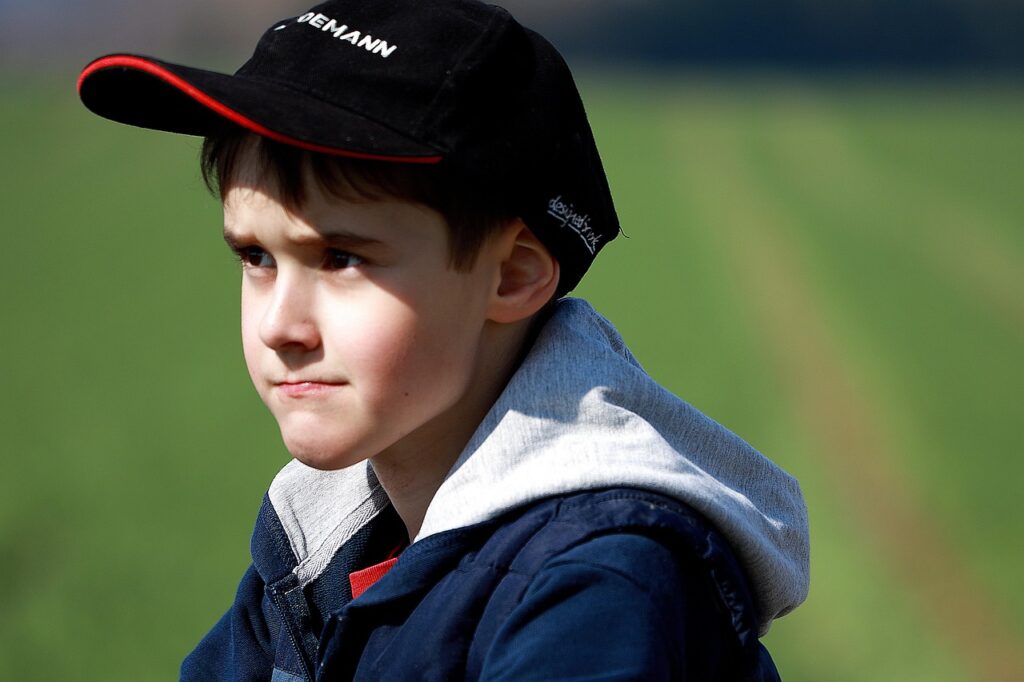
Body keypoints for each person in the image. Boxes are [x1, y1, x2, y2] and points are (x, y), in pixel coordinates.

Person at [78, 0, 809, 679]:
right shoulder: (320, 550)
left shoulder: (598, 585)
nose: (280, 326)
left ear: (513, 275)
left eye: (341, 258)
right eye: (256, 258)